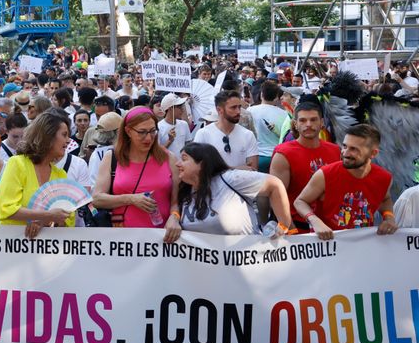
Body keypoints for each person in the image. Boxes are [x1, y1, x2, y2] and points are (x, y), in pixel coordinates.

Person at [293, 124, 397, 240]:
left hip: (363, 245)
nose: (345, 153)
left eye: (354, 149)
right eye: (344, 146)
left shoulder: (384, 178)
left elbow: (385, 199)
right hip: (327, 246)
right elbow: (300, 201)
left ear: (373, 153)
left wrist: (389, 217)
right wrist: (314, 221)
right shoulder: (325, 174)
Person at [92, 107, 181, 240]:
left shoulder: (169, 158)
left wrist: (175, 217)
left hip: (161, 239)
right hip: (122, 240)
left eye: (152, 131)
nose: (148, 138)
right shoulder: (112, 158)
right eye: (142, 132)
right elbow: (97, 199)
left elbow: (176, 201)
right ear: (128, 131)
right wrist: (131, 199)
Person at [176, 143, 295, 235]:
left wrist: (284, 225)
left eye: (184, 159)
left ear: (201, 164)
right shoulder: (185, 192)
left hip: (246, 260)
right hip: (207, 265)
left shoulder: (230, 179)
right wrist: (174, 218)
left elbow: (274, 184)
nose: (177, 163)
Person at [0, 112, 73, 238]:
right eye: (64, 135)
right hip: (10, 247)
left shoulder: (61, 175)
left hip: (45, 252)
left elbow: (67, 220)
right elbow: (6, 209)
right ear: (48, 136)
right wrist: (46, 216)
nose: (68, 140)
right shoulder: (17, 163)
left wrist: (44, 222)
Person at [268, 102, 341, 232]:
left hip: (332, 226)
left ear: (322, 122)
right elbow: (276, 195)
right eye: (303, 120)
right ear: (295, 124)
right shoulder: (283, 154)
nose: (308, 124)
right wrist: (291, 229)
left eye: (313, 120)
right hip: (300, 228)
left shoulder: (335, 150)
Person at [193, 90, 259, 170]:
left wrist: (217, 168)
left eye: (239, 107)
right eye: (233, 107)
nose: (238, 112)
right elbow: (198, 168)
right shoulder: (203, 134)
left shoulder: (248, 135)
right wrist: (237, 169)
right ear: (219, 110)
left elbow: (253, 169)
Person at [247, 81, 290, 173]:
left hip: (257, 156)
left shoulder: (250, 111)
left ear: (261, 94)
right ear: (276, 98)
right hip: (277, 156)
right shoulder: (285, 114)